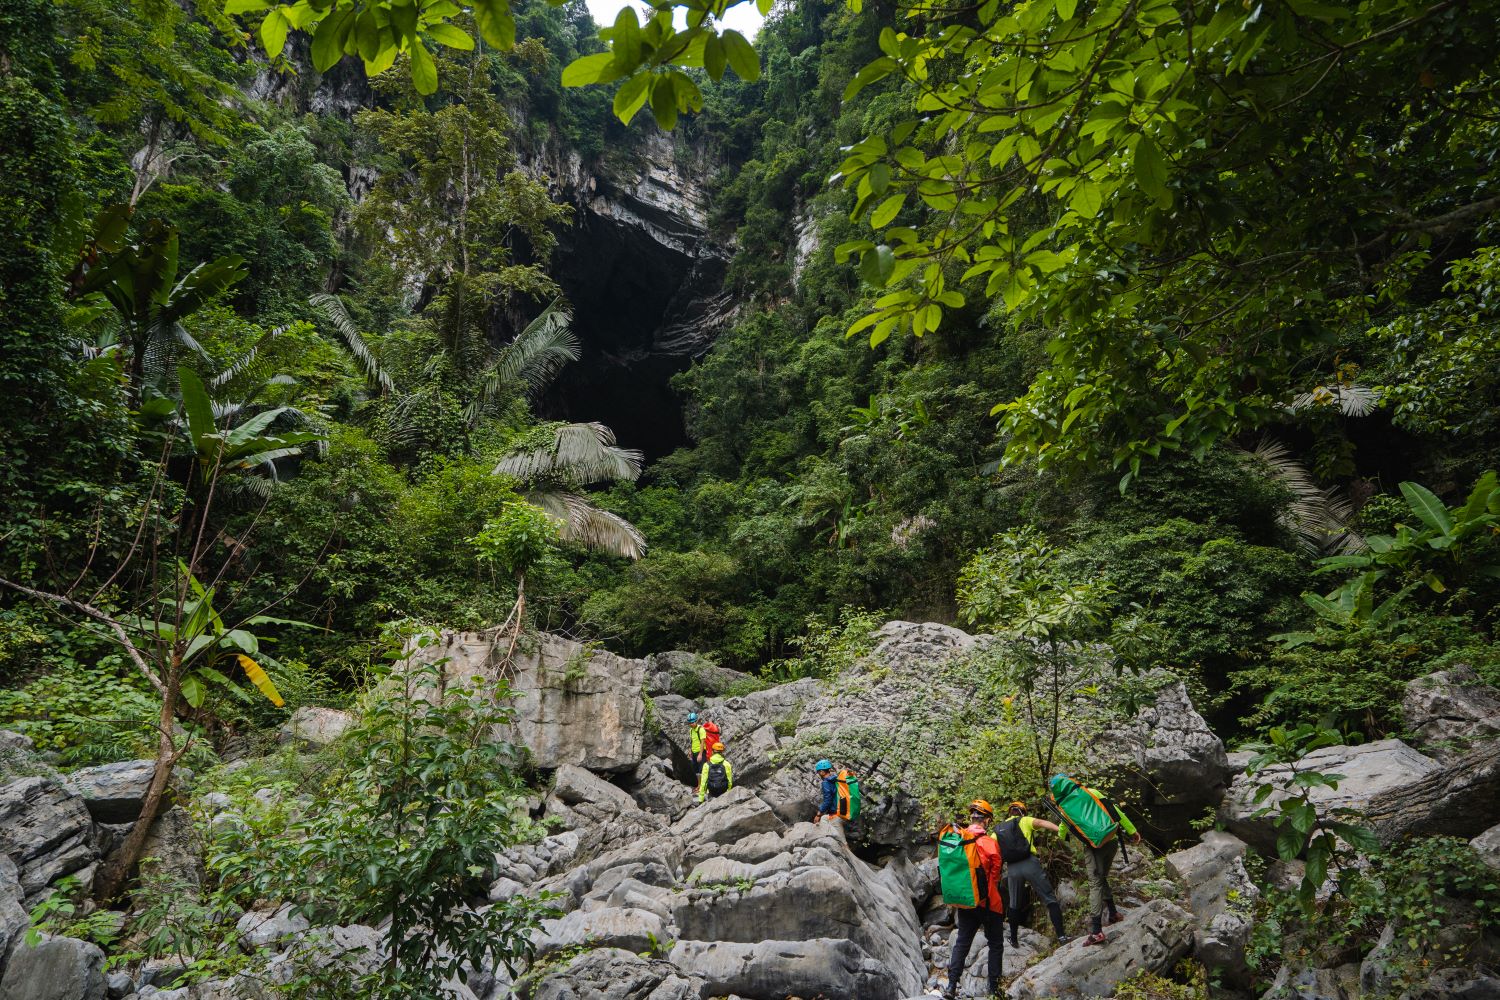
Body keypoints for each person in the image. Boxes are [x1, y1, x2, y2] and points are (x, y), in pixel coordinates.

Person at [1057, 784, 1140, 946]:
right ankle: (1114, 913)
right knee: (1101, 878)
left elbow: (1062, 832)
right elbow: (1115, 811)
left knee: (1095, 883)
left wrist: (1064, 838)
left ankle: (1096, 931)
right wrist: (1132, 831)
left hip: (1095, 848)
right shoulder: (1091, 792)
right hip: (1112, 841)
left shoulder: (1065, 807)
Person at [943, 800, 1006, 999]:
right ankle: (994, 990)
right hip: (989, 903)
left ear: (971, 819)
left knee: (962, 942)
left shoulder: (959, 840)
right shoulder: (990, 843)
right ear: (986, 821)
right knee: (995, 944)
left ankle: (951, 986)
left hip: (966, 901)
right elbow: (995, 875)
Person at [996, 802, 1070, 946]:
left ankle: (1014, 939)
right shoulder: (1025, 820)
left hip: (1012, 868)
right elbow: (1042, 823)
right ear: (1022, 812)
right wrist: (1062, 831)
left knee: (1014, 904)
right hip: (1030, 863)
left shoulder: (998, 829)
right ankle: (1061, 937)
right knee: (1049, 899)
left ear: (1009, 813)